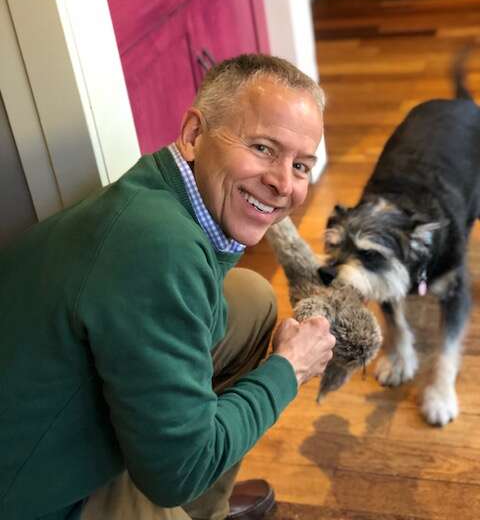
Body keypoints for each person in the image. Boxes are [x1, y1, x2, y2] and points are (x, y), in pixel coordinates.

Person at [0, 54, 335, 520]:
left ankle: (199, 509)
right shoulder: (160, 249)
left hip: (45, 415)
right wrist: (289, 369)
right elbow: (172, 474)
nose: (283, 184)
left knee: (252, 299)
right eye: (262, 148)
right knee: (180, 469)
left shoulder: (156, 195)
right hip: (31, 498)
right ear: (195, 134)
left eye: (301, 165)